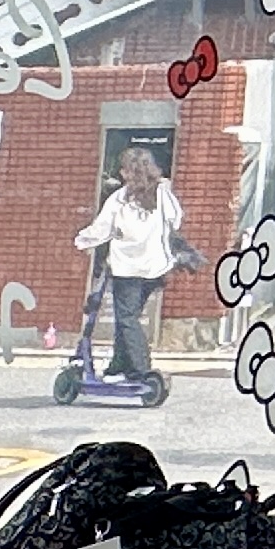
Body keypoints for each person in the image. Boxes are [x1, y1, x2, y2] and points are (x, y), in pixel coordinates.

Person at [74, 143, 193, 381]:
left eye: (123, 169)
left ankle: (141, 368)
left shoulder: (120, 198)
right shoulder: (163, 195)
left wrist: (80, 241)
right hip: (155, 268)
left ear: (129, 172)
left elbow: (101, 229)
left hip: (127, 269)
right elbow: (176, 220)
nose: (121, 173)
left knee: (127, 318)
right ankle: (119, 365)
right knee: (128, 318)